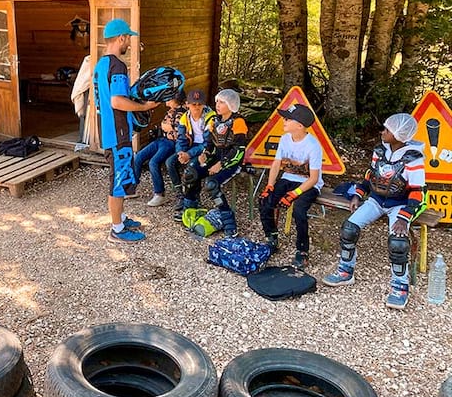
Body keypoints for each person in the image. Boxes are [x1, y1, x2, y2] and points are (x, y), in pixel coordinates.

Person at [322, 113, 426, 310]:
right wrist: (358, 195)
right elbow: (370, 178)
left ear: (399, 134)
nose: (382, 132)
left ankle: (400, 287)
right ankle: (345, 271)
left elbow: (417, 192)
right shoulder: (380, 151)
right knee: (349, 229)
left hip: (400, 203)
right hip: (377, 199)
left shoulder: (414, 159)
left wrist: (404, 218)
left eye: (387, 129)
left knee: (397, 241)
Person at [93, 18, 159, 243]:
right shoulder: (117, 66)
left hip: (109, 131)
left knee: (118, 176)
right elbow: (117, 101)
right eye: (128, 38)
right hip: (118, 132)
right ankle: (117, 229)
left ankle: (120, 217)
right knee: (118, 179)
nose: (129, 42)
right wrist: (144, 106)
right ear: (121, 38)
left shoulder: (101, 65)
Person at [258, 103, 323, 268]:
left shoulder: (313, 145)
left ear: (299, 125)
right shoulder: (284, 139)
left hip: (308, 184)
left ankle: (302, 251)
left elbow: (314, 178)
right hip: (288, 178)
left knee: (299, 210)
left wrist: (294, 194)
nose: (284, 121)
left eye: (288, 119)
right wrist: (270, 185)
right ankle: (272, 237)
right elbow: (276, 163)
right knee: (265, 201)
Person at [178, 89, 248, 236]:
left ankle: (229, 223)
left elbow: (239, 150)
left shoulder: (238, 122)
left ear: (231, 104)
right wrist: (205, 154)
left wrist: (221, 164)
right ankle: (190, 209)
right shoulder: (215, 120)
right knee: (191, 172)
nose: (218, 105)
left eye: (222, 102)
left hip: (232, 162)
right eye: (217, 101)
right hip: (216, 157)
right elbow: (210, 143)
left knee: (212, 184)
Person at [133, 90, 187, 206]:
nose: (166, 101)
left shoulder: (182, 113)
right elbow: (164, 126)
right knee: (139, 156)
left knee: (153, 162)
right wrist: (167, 127)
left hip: (171, 143)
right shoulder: (171, 111)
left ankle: (160, 194)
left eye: (168, 99)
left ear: (175, 99)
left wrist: (169, 127)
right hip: (161, 140)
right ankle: (131, 187)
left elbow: (179, 133)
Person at [167, 89, 216, 215]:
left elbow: (208, 143)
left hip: (207, 149)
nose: (197, 107)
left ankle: (191, 203)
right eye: (194, 104)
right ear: (187, 104)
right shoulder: (185, 117)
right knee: (170, 162)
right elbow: (181, 139)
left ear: (204, 105)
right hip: (191, 145)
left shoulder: (211, 117)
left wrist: (189, 154)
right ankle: (181, 194)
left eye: (200, 104)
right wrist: (180, 153)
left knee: (192, 168)